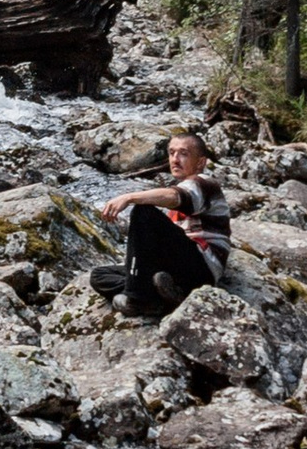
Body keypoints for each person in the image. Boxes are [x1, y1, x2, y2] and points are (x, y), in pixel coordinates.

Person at [91, 129, 231, 318]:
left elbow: (175, 196)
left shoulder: (203, 182)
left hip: (201, 268)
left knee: (144, 212)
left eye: (183, 153)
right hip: (177, 266)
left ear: (200, 162)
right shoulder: (186, 184)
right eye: (172, 152)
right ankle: (162, 297)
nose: (175, 159)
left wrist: (130, 197)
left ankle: (138, 299)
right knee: (99, 276)